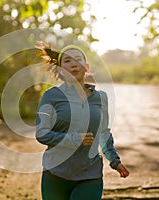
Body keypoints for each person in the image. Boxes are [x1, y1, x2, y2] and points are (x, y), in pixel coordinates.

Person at [35, 42, 130, 200]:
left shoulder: (100, 97)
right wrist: (74, 140)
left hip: (89, 175)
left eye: (77, 60)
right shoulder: (51, 96)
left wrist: (114, 161)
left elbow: (103, 133)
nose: (73, 64)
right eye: (67, 61)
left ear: (86, 66)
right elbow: (42, 133)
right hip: (55, 174)